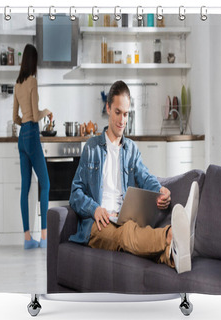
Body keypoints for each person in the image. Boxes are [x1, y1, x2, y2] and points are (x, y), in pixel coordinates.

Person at [69, 80, 199, 273]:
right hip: (97, 224)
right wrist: (95, 209)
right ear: (108, 108)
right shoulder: (92, 148)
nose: (122, 120)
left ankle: (174, 256)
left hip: (123, 218)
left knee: (129, 231)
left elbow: (145, 176)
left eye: (126, 114)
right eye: (118, 112)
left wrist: (160, 191)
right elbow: (75, 193)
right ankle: (171, 235)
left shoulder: (131, 150)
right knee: (127, 234)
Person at [13, 44, 51, 249]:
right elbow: (36, 116)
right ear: (33, 62)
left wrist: (25, 122)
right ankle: (44, 237)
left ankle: (28, 239)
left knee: (25, 188)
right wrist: (46, 110)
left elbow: (15, 118)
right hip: (32, 135)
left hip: (21, 137)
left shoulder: (18, 84)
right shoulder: (33, 81)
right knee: (45, 184)